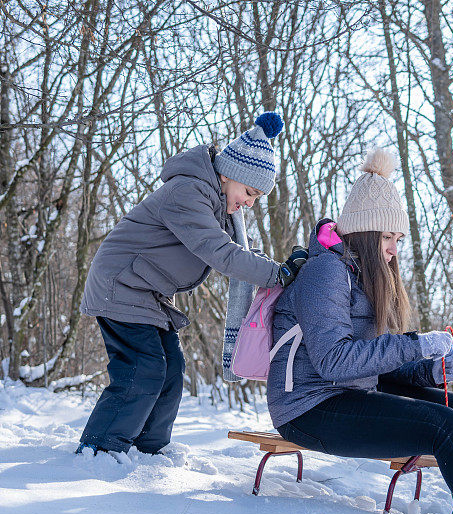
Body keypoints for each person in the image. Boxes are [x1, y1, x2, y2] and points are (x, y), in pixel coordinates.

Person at [267, 148, 453, 514]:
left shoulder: (359, 272)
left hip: (350, 390)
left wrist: (429, 369)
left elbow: (374, 359)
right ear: (364, 234)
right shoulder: (325, 272)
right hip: (308, 408)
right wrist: (417, 343)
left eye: (399, 238)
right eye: (388, 238)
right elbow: (334, 361)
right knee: (444, 425)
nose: (395, 250)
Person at [76, 112, 307, 457]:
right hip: (121, 285)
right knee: (144, 369)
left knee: (170, 371)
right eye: (249, 192)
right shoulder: (189, 192)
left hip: (148, 294)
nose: (249, 203)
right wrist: (277, 274)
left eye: (256, 198)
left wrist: (284, 269)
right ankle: (100, 450)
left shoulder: (219, 206)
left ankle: (148, 450)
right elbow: (220, 253)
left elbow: (240, 253)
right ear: (229, 174)